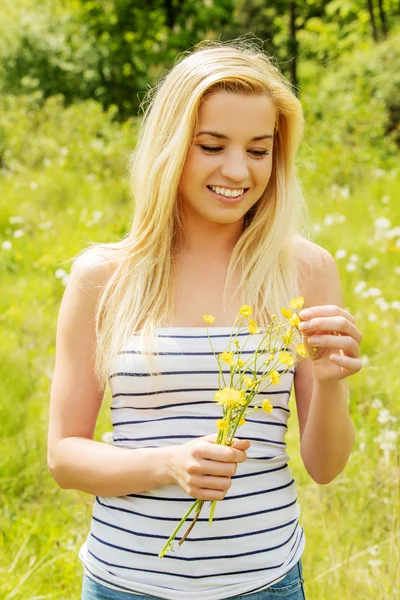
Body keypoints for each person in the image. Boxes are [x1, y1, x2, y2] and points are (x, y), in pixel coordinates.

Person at [47, 38, 363, 600]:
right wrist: (168, 464)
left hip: (265, 582)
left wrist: (332, 385)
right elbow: (66, 456)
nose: (238, 171)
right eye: (212, 145)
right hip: (126, 583)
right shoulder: (103, 276)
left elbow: (326, 467)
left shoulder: (305, 270)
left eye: (259, 150)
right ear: (172, 146)